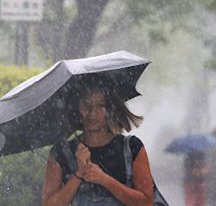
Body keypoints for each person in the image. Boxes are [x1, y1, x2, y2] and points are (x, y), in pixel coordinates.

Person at [42, 77, 154, 206]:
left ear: (110, 109)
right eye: (86, 105)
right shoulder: (61, 153)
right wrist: (79, 173)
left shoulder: (131, 148)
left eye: (100, 106)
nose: (92, 113)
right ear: (77, 108)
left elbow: (146, 202)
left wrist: (103, 179)